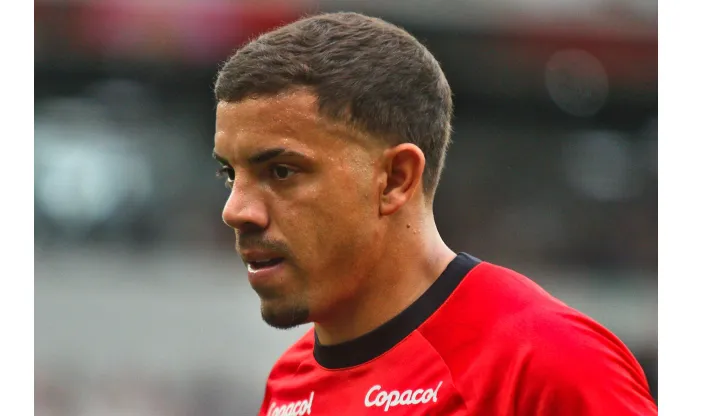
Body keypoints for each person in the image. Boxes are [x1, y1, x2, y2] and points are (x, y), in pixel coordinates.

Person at [211, 12, 657, 416]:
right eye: (231, 173)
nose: (235, 211)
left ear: (396, 179)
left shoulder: (544, 364)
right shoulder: (287, 386)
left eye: (282, 171)